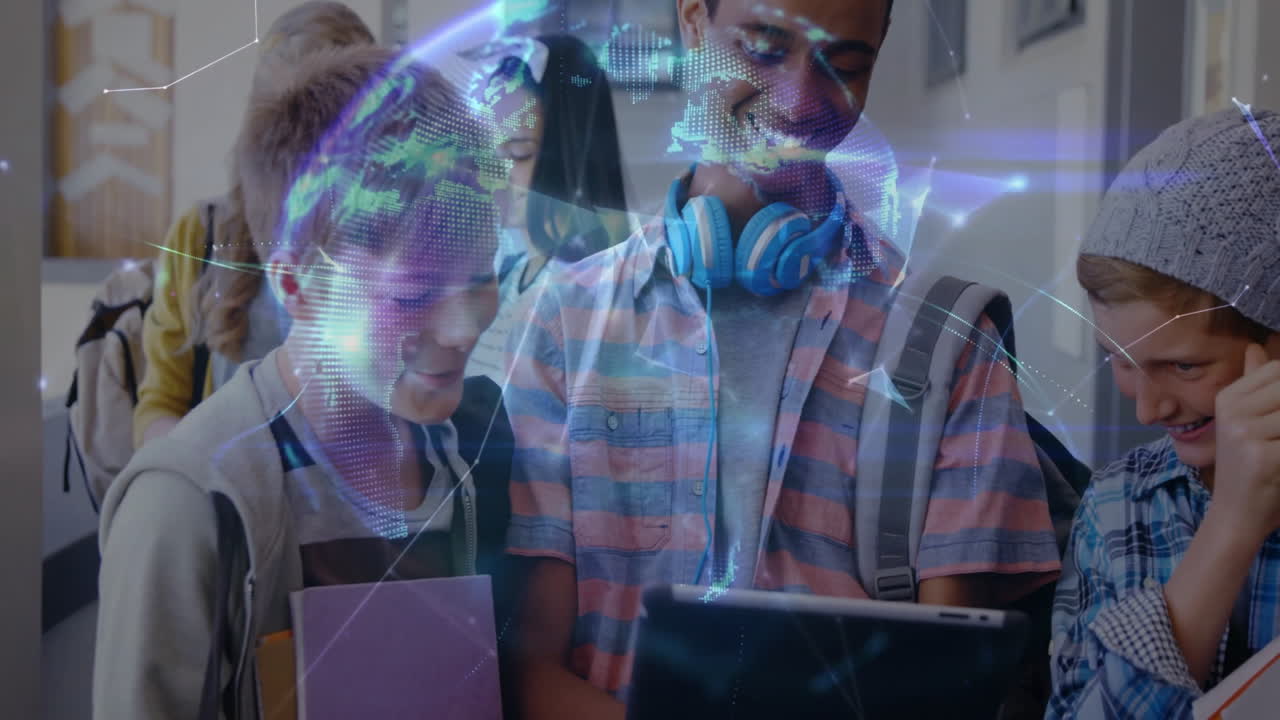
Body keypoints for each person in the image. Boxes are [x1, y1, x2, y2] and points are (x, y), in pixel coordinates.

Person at [502, 0, 1061, 717]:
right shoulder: (567, 316)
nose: (800, 100)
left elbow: (943, 691)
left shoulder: (950, 340)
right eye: (765, 50)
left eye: (844, 65)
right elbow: (530, 669)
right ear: (695, 25)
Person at [94, 46, 512, 719]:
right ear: (297, 286)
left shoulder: (465, 464)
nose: (464, 330)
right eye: (416, 295)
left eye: (480, 277)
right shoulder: (187, 505)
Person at [1048, 109, 1280, 719]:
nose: (1148, 409)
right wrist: (1230, 527)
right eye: (1120, 362)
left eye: (1184, 367)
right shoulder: (1121, 507)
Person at [133, 1, 375, 448]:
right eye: (287, 110)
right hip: (229, 500)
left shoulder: (395, 240)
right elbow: (160, 403)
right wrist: (198, 475)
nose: (305, 137)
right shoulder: (200, 235)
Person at [461, 33, 631, 382]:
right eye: (488, 154)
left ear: (572, 155)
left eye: (518, 154)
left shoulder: (589, 292)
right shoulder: (510, 272)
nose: (493, 176)